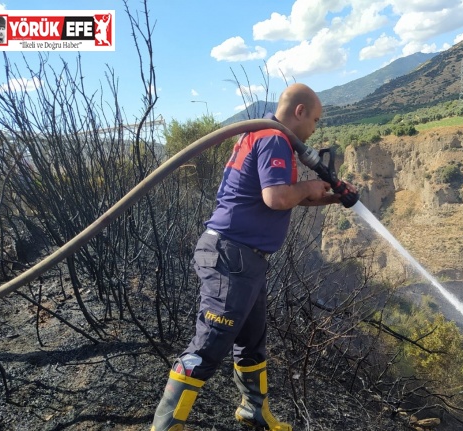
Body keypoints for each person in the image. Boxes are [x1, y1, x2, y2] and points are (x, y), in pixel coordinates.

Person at [151, 83, 355, 431]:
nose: (315, 130)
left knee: (251, 341)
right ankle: (165, 426)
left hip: (245, 259)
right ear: (300, 111)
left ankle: (254, 413)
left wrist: (330, 197)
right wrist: (307, 187)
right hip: (231, 256)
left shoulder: (263, 137)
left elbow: (280, 196)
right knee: (210, 343)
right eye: (316, 120)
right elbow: (277, 197)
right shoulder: (273, 138)